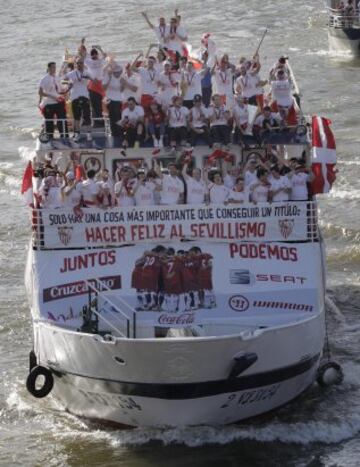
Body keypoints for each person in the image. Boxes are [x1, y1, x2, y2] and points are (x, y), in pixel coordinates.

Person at [62, 58, 92, 140]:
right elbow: (63, 77)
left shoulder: (87, 72)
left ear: (83, 63)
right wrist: (65, 65)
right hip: (75, 97)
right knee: (76, 118)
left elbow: (93, 79)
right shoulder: (72, 73)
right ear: (75, 64)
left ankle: (89, 134)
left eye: (81, 63)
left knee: (87, 116)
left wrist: (87, 77)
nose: (79, 64)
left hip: (85, 96)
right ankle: (77, 134)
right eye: (78, 63)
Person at [39, 62, 68, 139]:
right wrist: (51, 96)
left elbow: (60, 89)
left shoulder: (57, 77)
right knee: (49, 123)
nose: (54, 69)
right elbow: (40, 92)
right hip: (49, 103)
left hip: (58, 102)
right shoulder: (44, 79)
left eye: (55, 67)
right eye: (52, 67)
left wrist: (66, 88)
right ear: (48, 68)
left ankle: (64, 137)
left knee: (62, 120)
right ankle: (49, 138)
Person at [83, 45, 107, 126]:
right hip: (92, 85)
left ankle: (100, 122)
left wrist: (99, 48)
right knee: (94, 105)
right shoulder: (89, 61)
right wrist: (83, 44)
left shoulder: (100, 61)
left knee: (100, 105)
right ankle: (97, 123)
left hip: (100, 85)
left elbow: (105, 55)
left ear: (97, 54)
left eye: (95, 54)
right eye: (92, 54)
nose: (94, 56)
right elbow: (83, 57)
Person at [103, 64, 123, 137]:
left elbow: (121, 90)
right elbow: (104, 88)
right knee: (113, 118)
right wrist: (109, 78)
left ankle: (119, 133)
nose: (117, 73)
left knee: (119, 118)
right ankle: (115, 134)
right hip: (111, 100)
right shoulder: (107, 77)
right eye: (116, 72)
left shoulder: (121, 78)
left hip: (119, 100)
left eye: (119, 72)